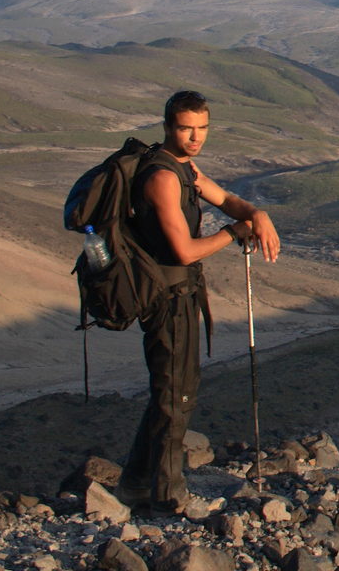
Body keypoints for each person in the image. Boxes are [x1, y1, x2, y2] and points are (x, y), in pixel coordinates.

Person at [116, 90, 281, 515]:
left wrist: (256, 214)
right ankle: (166, 494)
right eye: (186, 128)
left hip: (182, 293)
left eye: (202, 128)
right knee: (175, 394)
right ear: (169, 127)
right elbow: (183, 251)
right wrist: (233, 232)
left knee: (173, 392)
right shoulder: (163, 177)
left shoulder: (185, 168)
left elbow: (225, 198)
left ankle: (135, 484)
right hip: (166, 296)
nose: (195, 137)